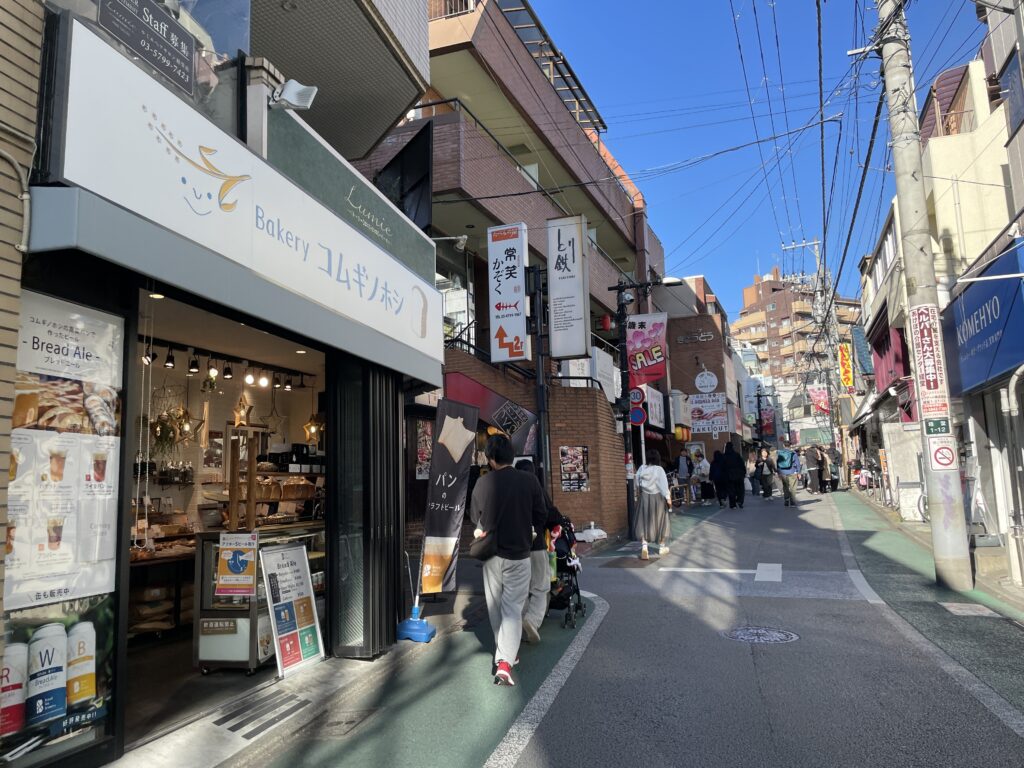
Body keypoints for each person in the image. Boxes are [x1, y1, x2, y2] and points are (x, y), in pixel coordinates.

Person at [470, 434, 547, 686]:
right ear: (512, 456)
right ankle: (505, 661)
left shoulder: (482, 483)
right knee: (513, 607)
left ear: (491, 459)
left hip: (491, 554)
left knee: (495, 606)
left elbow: (475, 518)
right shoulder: (529, 480)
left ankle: (505, 654)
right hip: (520, 554)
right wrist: (528, 525)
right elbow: (541, 514)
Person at [514, 459, 559, 645]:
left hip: (514, 548)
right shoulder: (536, 487)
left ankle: (519, 623)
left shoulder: (509, 489)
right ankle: (531, 620)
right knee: (541, 586)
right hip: (536, 544)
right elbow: (547, 514)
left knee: (520, 589)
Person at [635, 449, 672, 559]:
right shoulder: (659, 469)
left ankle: (644, 547)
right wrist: (668, 498)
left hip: (644, 497)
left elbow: (637, 483)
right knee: (662, 522)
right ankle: (662, 547)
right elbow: (663, 485)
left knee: (643, 521)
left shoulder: (642, 468)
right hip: (658, 498)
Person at [775, 439, 802, 508]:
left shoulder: (780, 453)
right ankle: (792, 502)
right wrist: (799, 472)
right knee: (793, 488)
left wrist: (778, 472)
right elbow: (797, 463)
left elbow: (777, 463)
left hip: (783, 472)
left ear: (783, 445)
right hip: (792, 472)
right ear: (790, 445)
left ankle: (786, 500)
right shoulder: (793, 453)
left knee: (785, 487)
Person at [723, 443, 746, 508]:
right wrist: (744, 473)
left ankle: (733, 505)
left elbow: (723, 467)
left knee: (731, 490)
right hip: (739, 475)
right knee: (740, 489)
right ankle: (740, 501)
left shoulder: (724, 456)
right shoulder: (737, 455)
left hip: (729, 476)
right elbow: (742, 464)